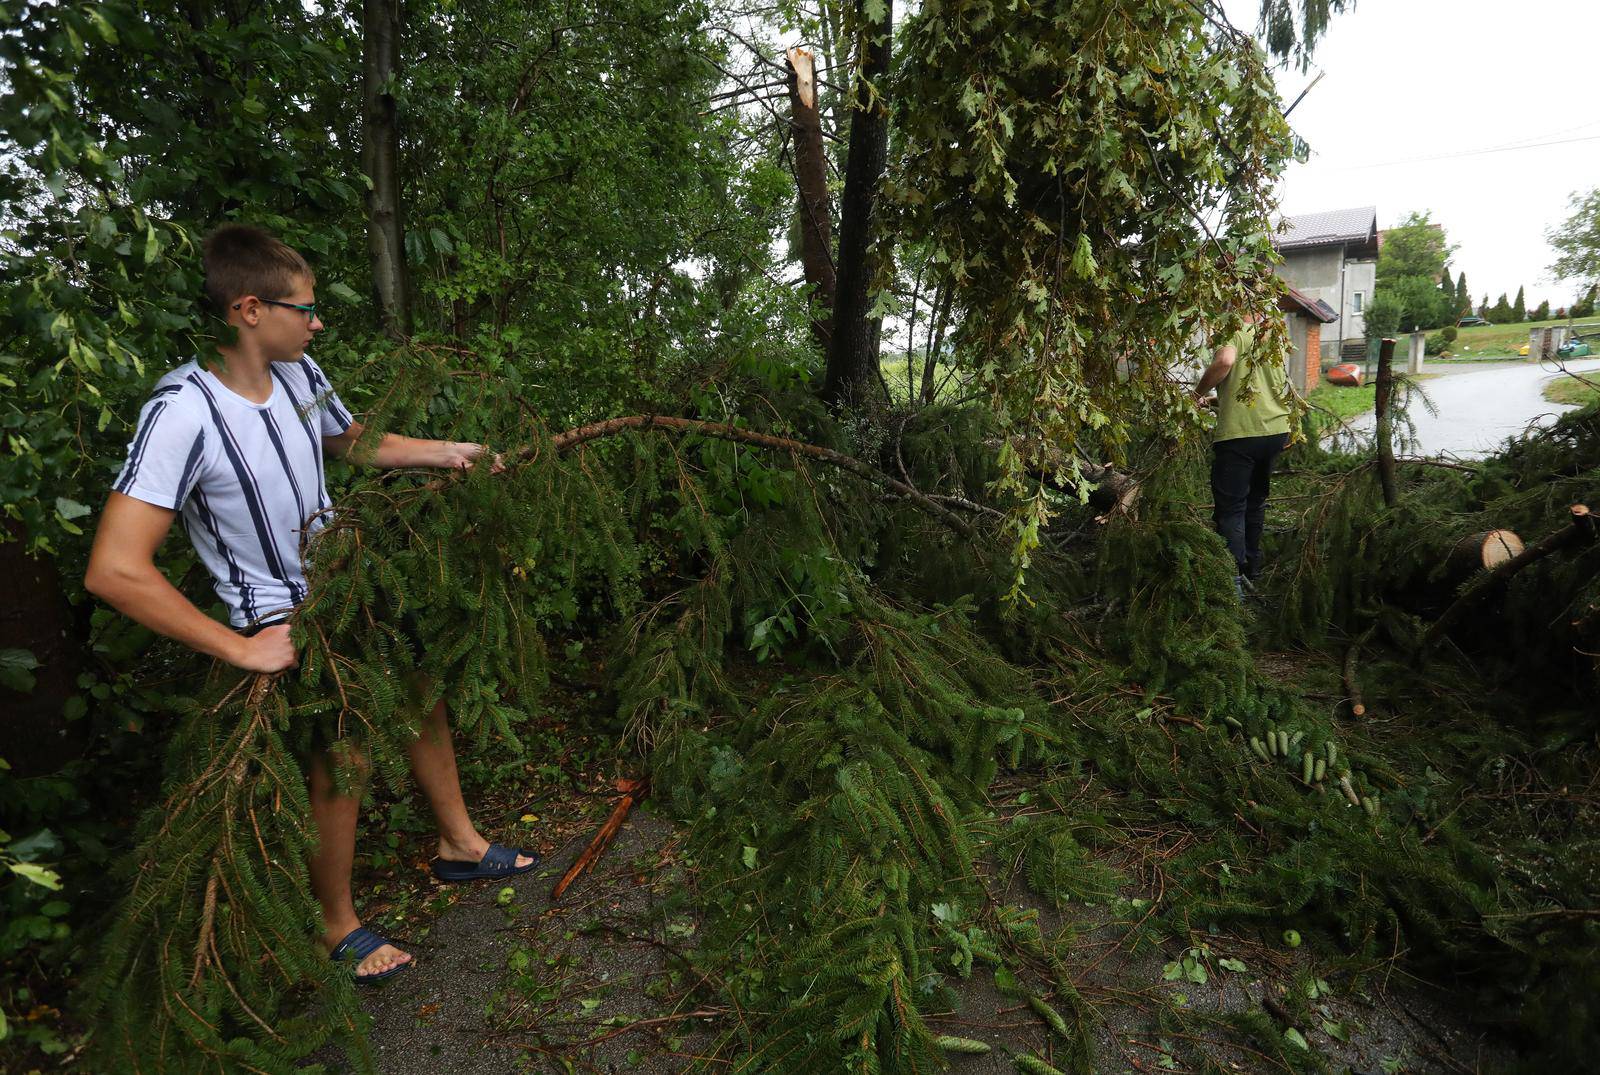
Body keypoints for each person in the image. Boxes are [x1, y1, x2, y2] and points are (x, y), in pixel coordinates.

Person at [84, 223, 537, 983]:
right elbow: (114, 568)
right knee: (342, 754)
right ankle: (337, 923)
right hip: (278, 618)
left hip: (346, 585)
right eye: (306, 308)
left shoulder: (299, 373)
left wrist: (445, 451)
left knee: (423, 693)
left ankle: (458, 843)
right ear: (250, 308)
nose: (317, 321)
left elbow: (353, 441)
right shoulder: (181, 412)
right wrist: (239, 646)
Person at [1193, 312, 1293, 597]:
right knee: (1255, 502)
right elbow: (1260, 386)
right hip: (1274, 431)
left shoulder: (1233, 328)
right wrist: (1216, 400)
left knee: (1231, 508)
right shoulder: (1272, 334)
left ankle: (1233, 582)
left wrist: (1197, 392)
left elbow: (1225, 362)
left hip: (1240, 435)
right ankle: (1253, 570)